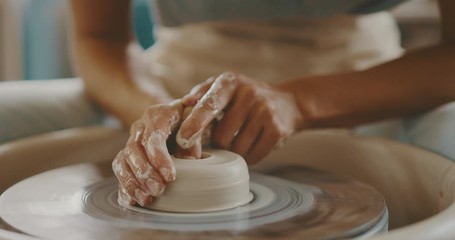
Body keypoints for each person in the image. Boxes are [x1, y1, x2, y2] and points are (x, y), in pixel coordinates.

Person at [10, 0, 455, 206]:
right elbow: (99, 37)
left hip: (359, 87)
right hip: (171, 84)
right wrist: (150, 111)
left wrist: (298, 101)